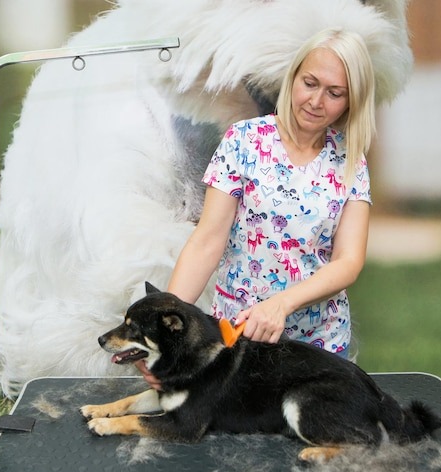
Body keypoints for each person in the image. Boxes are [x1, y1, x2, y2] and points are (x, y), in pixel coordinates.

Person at [138, 27, 376, 386]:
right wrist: (165, 332)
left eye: (334, 93)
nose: (316, 101)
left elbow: (348, 261)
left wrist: (282, 303)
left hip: (318, 345)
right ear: (292, 77)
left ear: (351, 100)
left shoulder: (350, 160)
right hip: (238, 341)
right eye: (309, 83)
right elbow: (207, 241)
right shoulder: (243, 141)